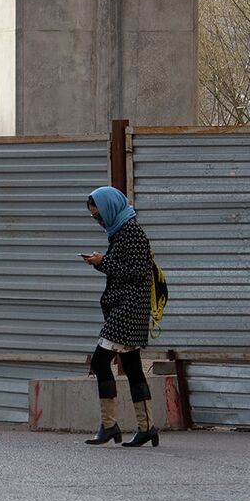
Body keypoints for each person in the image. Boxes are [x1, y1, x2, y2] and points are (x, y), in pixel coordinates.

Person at [81, 186, 163, 447]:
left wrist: (103, 262)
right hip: (126, 310)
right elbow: (124, 270)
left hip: (128, 312)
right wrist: (100, 263)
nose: (99, 221)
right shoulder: (119, 232)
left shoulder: (132, 233)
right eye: (94, 217)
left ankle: (109, 426)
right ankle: (146, 428)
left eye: (99, 215)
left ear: (110, 208)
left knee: (99, 362)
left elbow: (138, 273)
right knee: (133, 368)